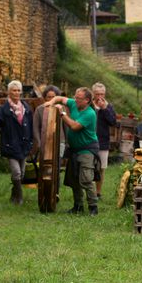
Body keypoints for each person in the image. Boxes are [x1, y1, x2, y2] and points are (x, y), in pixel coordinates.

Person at [44, 87, 99, 215]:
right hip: (75, 149)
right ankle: (78, 206)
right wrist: (51, 103)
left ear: (87, 100)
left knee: (86, 179)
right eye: (75, 97)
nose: (75, 100)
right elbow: (59, 98)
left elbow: (74, 126)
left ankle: (93, 207)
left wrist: (62, 113)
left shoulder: (90, 113)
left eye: (79, 98)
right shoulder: (74, 103)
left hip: (87, 149)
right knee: (74, 179)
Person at [0, 80, 34, 205]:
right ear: (9, 92)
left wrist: (32, 142)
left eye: (18, 90)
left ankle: (13, 195)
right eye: (14, 90)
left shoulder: (26, 108)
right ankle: (20, 199)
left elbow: (31, 126)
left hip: (24, 145)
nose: (16, 93)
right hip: (10, 145)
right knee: (16, 172)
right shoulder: (4, 110)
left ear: (21, 92)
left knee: (22, 173)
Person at [92, 82, 117, 199]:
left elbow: (113, 122)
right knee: (89, 167)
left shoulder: (108, 106)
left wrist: (104, 109)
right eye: (97, 94)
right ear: (93, 94)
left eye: (102, 94)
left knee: (101, 168)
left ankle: (98, 192)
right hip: (89, 141)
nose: (100, 97)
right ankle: (90, 191)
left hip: (103, 142)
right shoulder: (89, 105)